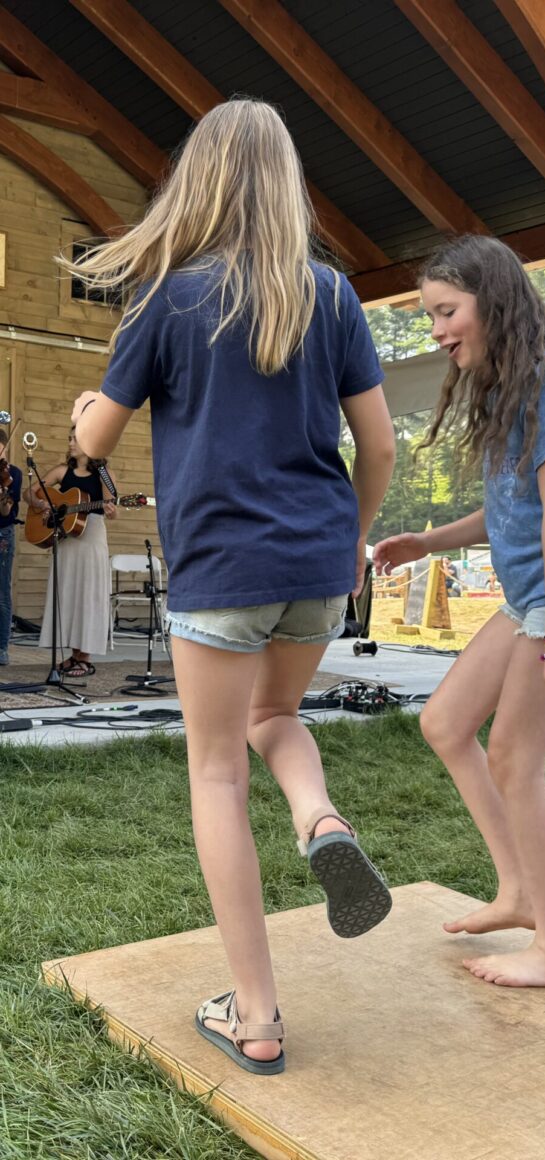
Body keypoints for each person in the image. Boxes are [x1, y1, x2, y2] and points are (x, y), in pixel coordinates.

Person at [64, 100, 396, 1073]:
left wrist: (87, 407)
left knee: (215, 768)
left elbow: (93, 441)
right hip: (317, 564)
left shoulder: (168, 296)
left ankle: (254, 1014)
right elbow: (375, 442)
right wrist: (354, 538)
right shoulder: (331, 295)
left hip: (221, 565)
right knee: (275, 716)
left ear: (197, 184)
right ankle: (320, 817)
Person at [374, 234, 545, 990]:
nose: (437, 330)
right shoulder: (514, 385)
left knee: (513, 755)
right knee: (444, 723)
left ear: (492, 301)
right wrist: (426, 541)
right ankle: (520, 893)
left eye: (445, 311)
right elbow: (512, 509)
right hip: (532, 597)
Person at [25, 427, 117, 676]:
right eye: (68, 438)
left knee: (88, 593)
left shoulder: (104, 474)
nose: (70, 442)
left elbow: (114, 506)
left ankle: (84, 657)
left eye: (74, 438)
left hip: (92, 536)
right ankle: (73, 655)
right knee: (67, 592)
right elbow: (29, 493)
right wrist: (42, 504)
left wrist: (112, 509)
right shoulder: (61, 471)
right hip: (66, 537)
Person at [0, 426, 22, 665]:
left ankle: (2, 647)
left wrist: (4, 494)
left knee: (2, 593)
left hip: (2, 533)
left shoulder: (12, 473)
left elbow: (6, 511)